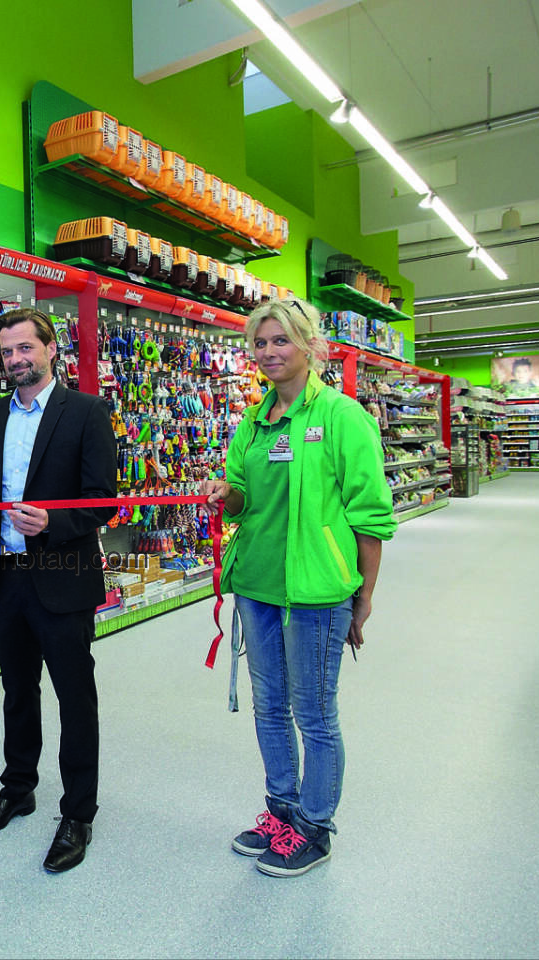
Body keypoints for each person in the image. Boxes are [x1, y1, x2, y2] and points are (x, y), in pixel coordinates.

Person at [199, 297, 395, 878]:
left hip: (315, 594)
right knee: (269, 709)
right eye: (259, 344)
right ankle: (281, 811)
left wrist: (363, 597)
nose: (268, 353)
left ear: (309, 346)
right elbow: (242, 496)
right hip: (257, 586)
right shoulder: (253, 424)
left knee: (313, 713)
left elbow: (371, 517)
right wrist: (225, 494)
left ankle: (316, 826)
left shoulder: (341, 417)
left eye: (280, 341)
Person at [0, 307, 118, 875]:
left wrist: (54, 523)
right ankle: (18, 788)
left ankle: (77, 813)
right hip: (4, 578)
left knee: (76, 699)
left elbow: (104, 500)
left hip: (62, 578)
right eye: (7, 352)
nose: (16, 359)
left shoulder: (89, 412)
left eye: (26, 348)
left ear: (51, 349)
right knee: (17, 692)